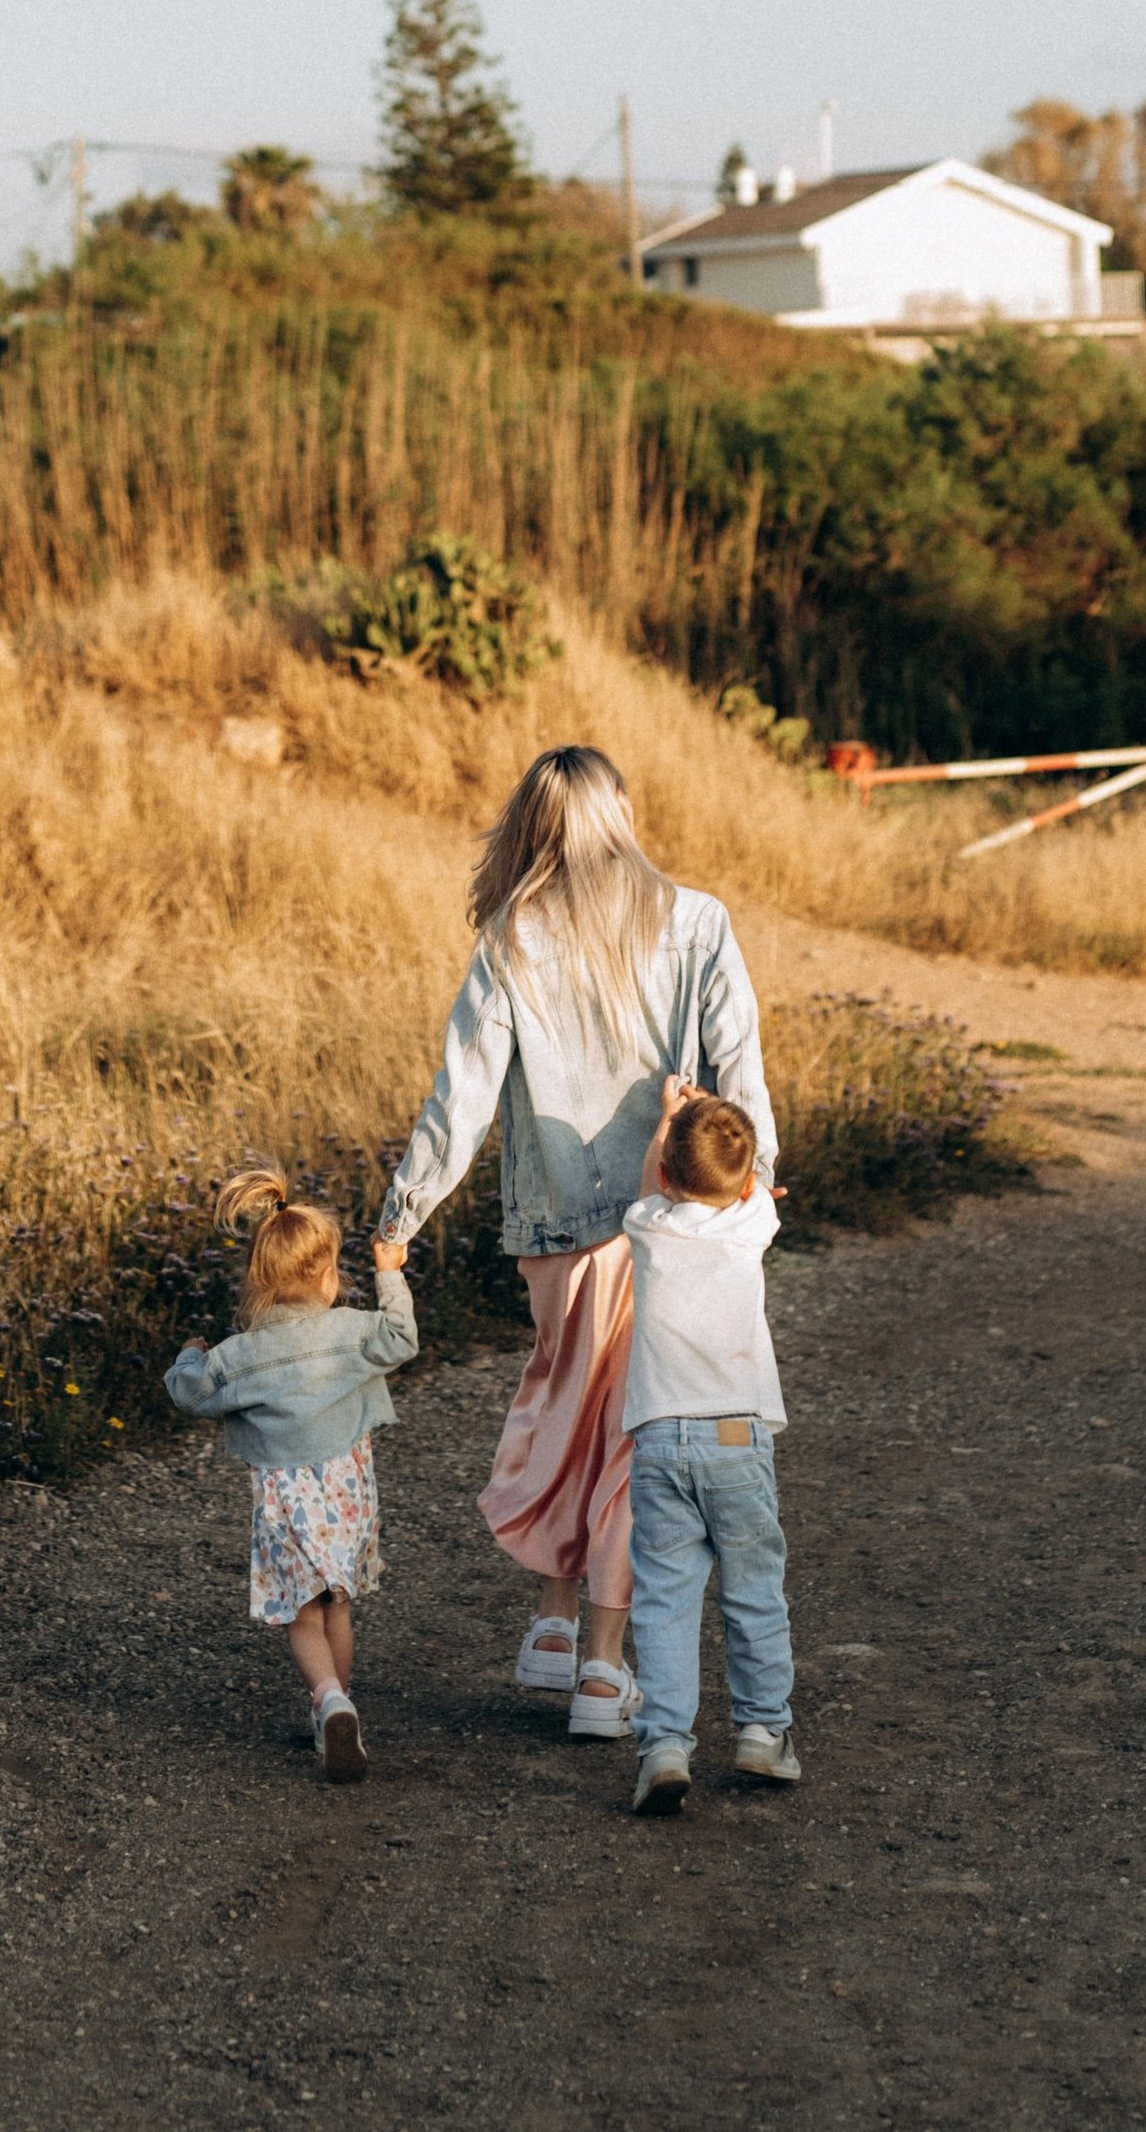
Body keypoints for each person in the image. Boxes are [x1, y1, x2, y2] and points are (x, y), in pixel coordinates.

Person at [372, 743, 776, 1743]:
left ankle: (553, 1625)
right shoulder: (697, 921)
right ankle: (602, 1665)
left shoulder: (515, 936)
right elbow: (741, 1065)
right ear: (623, 813)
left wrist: (400, 1216)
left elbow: (460, 1096)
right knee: (636, 1430)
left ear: (534, 829)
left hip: (554, 1227)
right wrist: (750, 1195)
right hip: (673, 1214)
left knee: (567, 1405)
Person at [164, 1164, 418, 1782]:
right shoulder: (352, 1333)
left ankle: (328, 1700)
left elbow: (190, 1393)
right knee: (337, 1608)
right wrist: (389, 1273)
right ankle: (338, 1708)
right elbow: (401, 1338)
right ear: (329, 1275)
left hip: (286, 1503)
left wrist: (190, 1354)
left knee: (302, 1615)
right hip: (347, 1496)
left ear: (259, 1282)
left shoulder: (241, 1355)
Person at [618, 1076, 797, 1816]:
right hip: (736, 1435)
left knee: (664, 1598)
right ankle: (761, 1730)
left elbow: (651, 1181)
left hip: (660, 1436)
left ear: (664, 1176)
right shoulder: (752, 1222)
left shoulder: (649, 1227)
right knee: (753, 1590)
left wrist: (666, 1120)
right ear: (752, 1179)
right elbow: (749, 1181)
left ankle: (663, 1743)